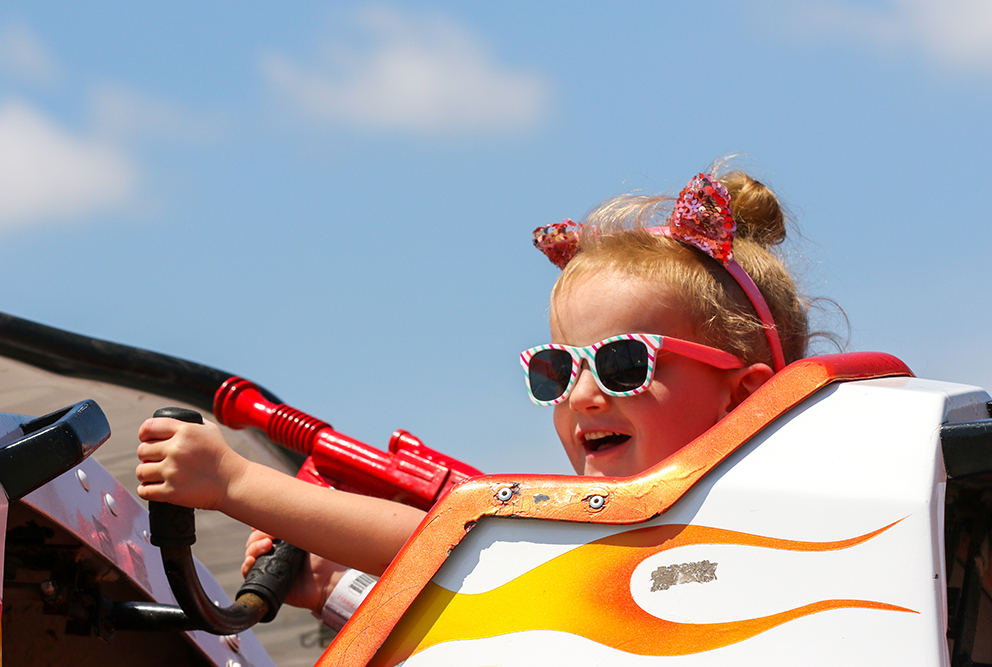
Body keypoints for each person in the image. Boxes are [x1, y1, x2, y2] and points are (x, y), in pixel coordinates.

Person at [136, 166, 811, 625]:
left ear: (743, 396)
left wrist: (232, 480)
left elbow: (461, 545)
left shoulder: (716, 538)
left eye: (623, 362)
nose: (583, 396)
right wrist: (338, 589)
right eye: (556, 369)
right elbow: (504, 605)